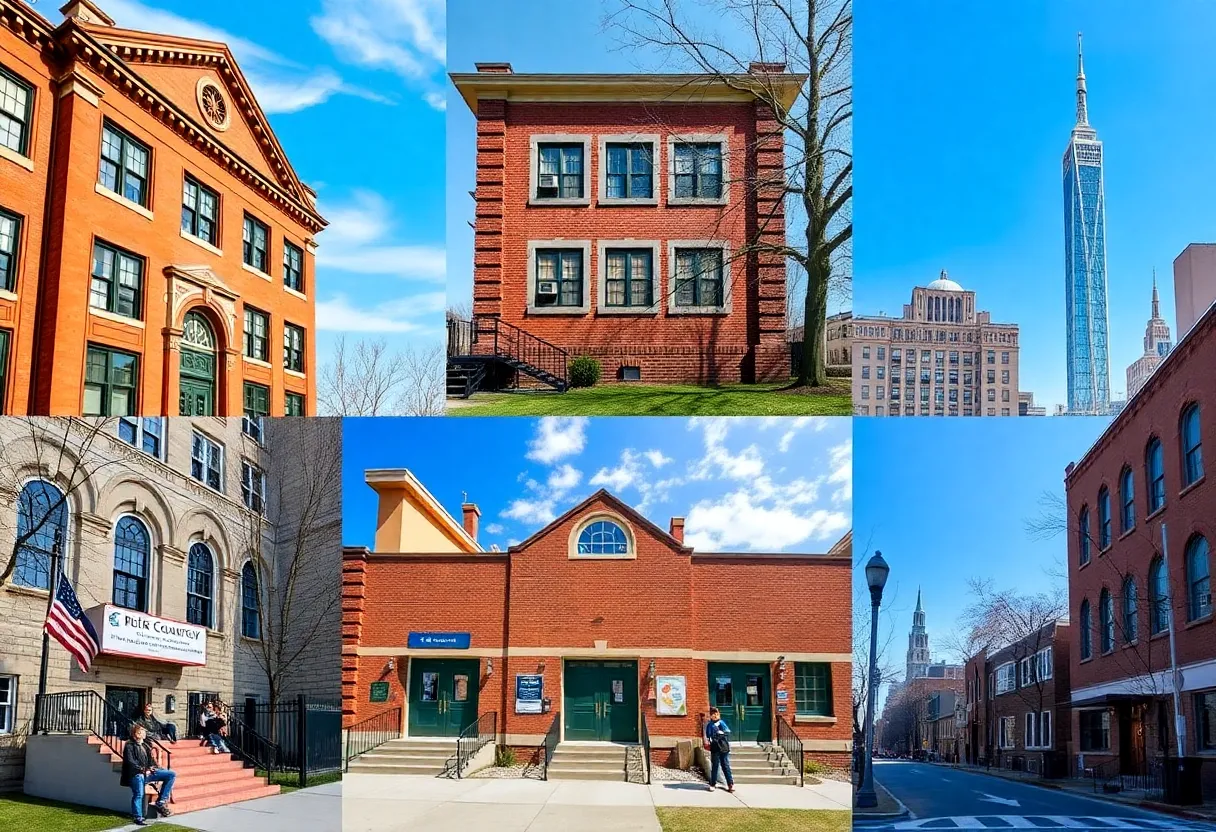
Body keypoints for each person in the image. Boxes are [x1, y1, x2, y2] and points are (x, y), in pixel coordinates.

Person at [122, 724, 175, 826]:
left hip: (148, 773)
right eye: (142, 731)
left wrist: (152, 767)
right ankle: (138, 817)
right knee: (138, 794)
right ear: (136, 734)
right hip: (136, 774)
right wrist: (143, 769)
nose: (144, 733)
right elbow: (130, 762)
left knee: (170, 774)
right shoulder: (129, 746)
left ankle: (160, 802)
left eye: (144, 731)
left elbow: (150, 760)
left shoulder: (145, 745)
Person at [703, 706, 735, 792]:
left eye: (716, 714)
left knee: (725, 765)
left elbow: (727, 732)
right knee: (715, 766)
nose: (715, 715)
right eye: (713, 714)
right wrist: (711, 738)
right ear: (711, 716)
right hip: (714, 747)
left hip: (723, 746)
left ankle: (730, 784)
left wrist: (722, 732)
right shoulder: (710, 725)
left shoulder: (722, 723)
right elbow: (708, 735)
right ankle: (713, 783)